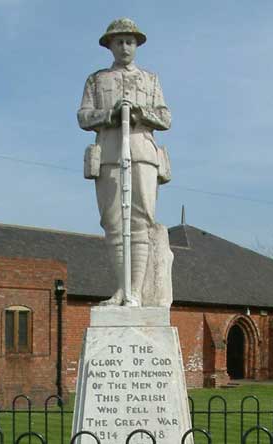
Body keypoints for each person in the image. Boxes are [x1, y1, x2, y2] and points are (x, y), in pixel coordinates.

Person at [78, 18, 171, 306]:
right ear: (110, 45)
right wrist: (110, 115)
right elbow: (83, 116)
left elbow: (166, 118)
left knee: (141, 220)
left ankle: (136, 293)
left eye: (130, 41)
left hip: (143, 152)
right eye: (119, 41)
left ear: (137, 45)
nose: (125, 47)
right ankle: (121, 289)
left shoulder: (150, 79)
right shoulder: (97, 80)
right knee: (113, 222)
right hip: (108, 154)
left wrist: (141, 113)